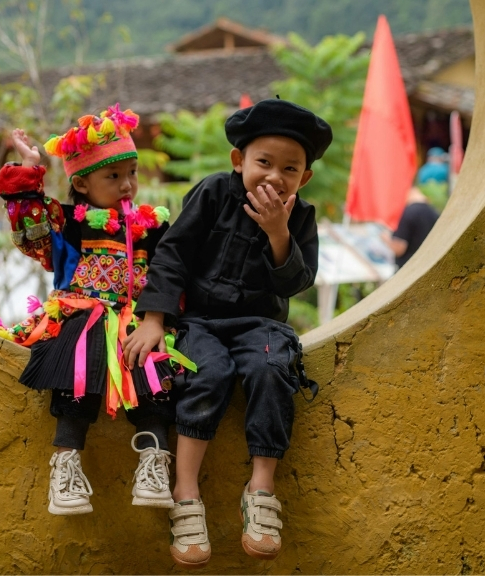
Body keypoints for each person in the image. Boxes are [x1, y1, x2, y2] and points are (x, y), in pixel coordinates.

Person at [122, 99, 329, 568]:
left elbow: (298, 281)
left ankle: (260, 488)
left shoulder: (301, 217)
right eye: (263, 163)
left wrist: (279, 232)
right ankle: (186, 491)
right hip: (199, 323)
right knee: (207, 373)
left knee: (272, 367)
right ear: (239, 161)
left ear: (305, 177)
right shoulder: (214, 192)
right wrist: (154, 319)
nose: (275, 177)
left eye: (290, 169)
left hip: (261, 325)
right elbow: (173, 254)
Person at [0, 104, 194, 516]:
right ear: (80, 184)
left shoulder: (152, 227)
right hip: (81, 314)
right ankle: (65, 467)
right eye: (113, 176)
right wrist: (30, 171)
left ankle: (153, 463)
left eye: (132, 173)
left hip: (138, 320)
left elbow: (174, 271)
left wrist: (160, 316)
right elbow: (30, 231)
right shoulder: (68, 223)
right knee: (80, 366)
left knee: (151, 367)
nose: (127, 185)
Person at [388, 186, 440, 268]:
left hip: (408, 267)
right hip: (427, 265)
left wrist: (385, 238)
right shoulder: (434, 212)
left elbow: (399, 248)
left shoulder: (407, 212)